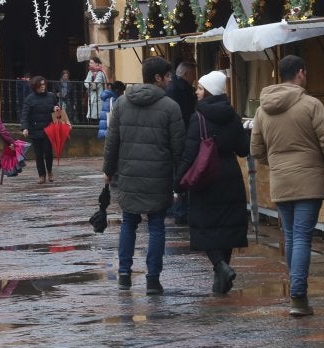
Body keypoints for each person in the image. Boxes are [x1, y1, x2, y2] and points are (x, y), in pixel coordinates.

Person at [249, 54, 324, 316]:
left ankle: (296, 289)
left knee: (290, 236)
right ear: (300, 73)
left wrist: (275, 162)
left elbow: (256, 148)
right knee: (301, 236)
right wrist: (320, 160)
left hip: (281, 179)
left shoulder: (262, 109)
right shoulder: (311, 105)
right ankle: (298, 295)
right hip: (308, 179)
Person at [103, 56, 186, 295]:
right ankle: (152, 279)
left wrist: (108, 171)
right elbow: (178, 147)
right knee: (157, 225)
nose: (170, 80)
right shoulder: (171, 107)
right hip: (159, 175)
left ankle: (125, 275)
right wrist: (180, 177)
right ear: (158, 78)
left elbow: (112, 142)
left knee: (129, 223)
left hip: (129, 174)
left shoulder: (121, 104)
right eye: (168, 76)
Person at [183, 70, 251, 295]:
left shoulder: (199, 117)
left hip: (207, 177)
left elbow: (190, 152)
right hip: (230, 176)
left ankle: (220, 266)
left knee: (204, 226)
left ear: (210, 91)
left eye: (201, 88)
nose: (197, 92)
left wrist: (179, 180)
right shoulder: (233, 116)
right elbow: (243, 149)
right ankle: (221, 280)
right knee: (226, 227)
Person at [165, 60, 198, 223]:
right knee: (179, 173)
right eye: (192, 75)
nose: (194, 79)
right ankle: (179, 210)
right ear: (185, 74)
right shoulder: (181, 90)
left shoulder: (171, 88)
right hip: (180, 137)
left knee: (175, 173)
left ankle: (175, 209)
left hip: (173, 138)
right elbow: (185, 115)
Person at [20, 74, 59, 183]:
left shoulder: (51, 96)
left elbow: (56, 109)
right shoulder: (29, 99)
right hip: (35, 129)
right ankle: (41, 175)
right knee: (38, 154)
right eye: (40, 85)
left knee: (48, 152)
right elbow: (25, 114)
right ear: (35, 86)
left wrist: (55, 108)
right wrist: (24, 128)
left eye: (44, 85)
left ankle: (50, 171)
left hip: (48, 128)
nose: (43, 87)